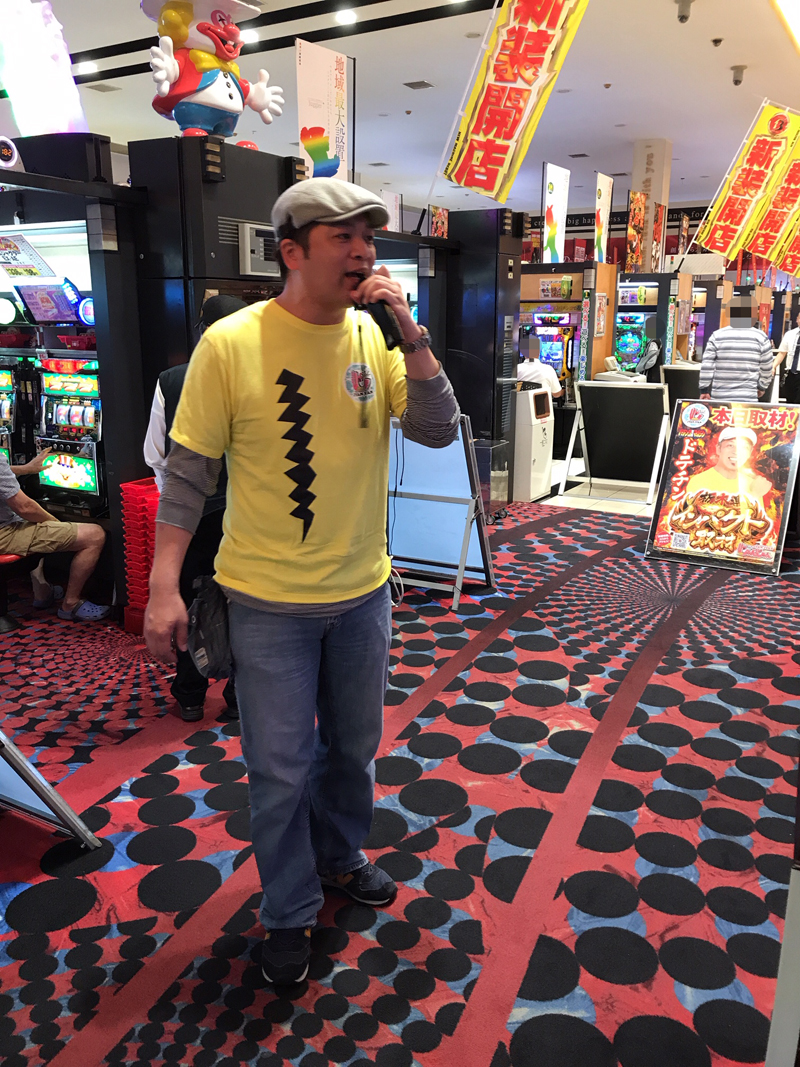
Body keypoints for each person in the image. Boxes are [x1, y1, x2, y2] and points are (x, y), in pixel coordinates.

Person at [144, 178, 460, 985]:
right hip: (267, 605)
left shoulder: (374, 339)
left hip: (362, 596)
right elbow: (187, 475)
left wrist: (409, 329)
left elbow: (435, 429)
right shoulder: (232, 343)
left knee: (353, 749)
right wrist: (163, 584)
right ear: (292, 251)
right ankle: (287, 909)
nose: (363, 252)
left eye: (369, 238)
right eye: (342, 237)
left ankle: (340, 854)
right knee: (279, 767)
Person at [144, 294, 246, 722]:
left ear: (201, 331)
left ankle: (189, 694)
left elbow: (156, 455)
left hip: (192, 519)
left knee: (190, 602)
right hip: (246, 516)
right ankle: (238, 697)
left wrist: (177, 504)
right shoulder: (260, 374)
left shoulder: (172, 380)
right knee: (245, 604)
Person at [0, 448, 109, 621]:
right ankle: (70, 604)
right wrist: (56, 524)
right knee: (94, 535)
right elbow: (25, 508)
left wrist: (26, 469)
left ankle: (42, 592)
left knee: (32, 525)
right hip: (3, 532)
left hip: (7, 522)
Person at [699, 298, 774, 402]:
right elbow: (767, 367)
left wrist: (704, 389)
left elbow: (707, 365)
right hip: (748, 397)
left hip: (720, 397)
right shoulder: (761, 337)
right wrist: (762, 386)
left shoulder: (717, 336)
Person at [685, 427, 772, 503]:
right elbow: (707, 515)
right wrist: (754, 495)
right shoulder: (700, 481)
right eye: (730, 445)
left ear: (750, 452)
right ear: (718, 448)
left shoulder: (753, 484)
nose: (736, 452)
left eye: (744, 447)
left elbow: (755, 517)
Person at [774, 309, 800, 404]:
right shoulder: (790, 334)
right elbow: (782, 353)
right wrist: (773, 366)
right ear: (797, 319)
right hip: (790, 374)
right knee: (790, 402)